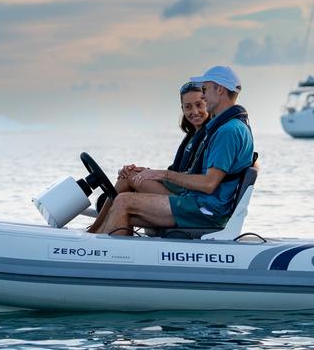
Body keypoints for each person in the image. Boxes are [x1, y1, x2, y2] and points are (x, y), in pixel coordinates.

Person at [88, 66, 255, 236]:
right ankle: (104, 245)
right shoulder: (230, 127)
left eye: (205, 89)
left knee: (124, 201)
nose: (203, 95)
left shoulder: (228, 131)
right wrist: (150, 173)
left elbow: (209, 184)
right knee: (123, 207)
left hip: (206, 210)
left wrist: (163, 174)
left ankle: (103, 251)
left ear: (219, 89)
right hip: (201, 204)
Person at [85, 81, 210, 231]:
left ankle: (94, 231)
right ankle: (97, 229)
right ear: (182, 108)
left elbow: (191, 178)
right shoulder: (192, 136)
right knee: (128, 174)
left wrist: (153, 174)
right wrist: (145, 171)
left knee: (126, 193)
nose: (194, 112)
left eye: (199, 105)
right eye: (188, 107)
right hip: (179, 190)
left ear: (207, 103)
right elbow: (176, 172)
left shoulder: (209, 136)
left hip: (186, 197)